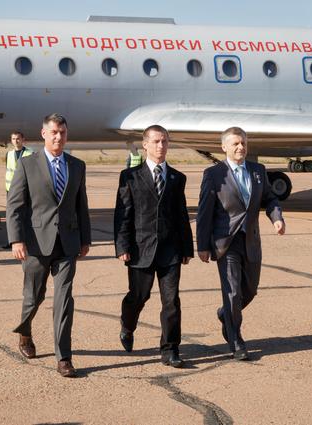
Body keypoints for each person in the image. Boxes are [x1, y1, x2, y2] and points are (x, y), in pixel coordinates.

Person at [7, 113, 91, 378]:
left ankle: (64, 357)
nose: (58, 137)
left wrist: (85, 239)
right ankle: (25, 331)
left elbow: (81, 206)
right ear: (43, 134)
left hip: (67, 244)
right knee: (33, 297)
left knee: (64, 300)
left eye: (62, 132)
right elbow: (15, 205)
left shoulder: (77, 165)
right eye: (54, 132)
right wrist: (16, 239)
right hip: (35, 243)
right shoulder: (27, 164)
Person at [196, 126, 285, 360]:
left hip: (251, 240)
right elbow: (204, 212)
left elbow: (270, 198)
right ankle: (236, 340)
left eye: (243, 143)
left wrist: (276, 218)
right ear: (224, 147)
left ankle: (225, 313)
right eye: (235, 143)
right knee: (233, 292)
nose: (240, 147)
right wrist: (202, 245)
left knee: (250, 290)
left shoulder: (258, 170)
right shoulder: (214, 174)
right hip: (226, 242)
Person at [114, 125, 194, 368]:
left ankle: (170, 349)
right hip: (140, 249)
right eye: (156, 141)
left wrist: (186, 248)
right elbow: (123, 213)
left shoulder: (177, 178)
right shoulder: (130, 176)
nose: (161, 146)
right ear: (145, 145)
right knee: (138, 296)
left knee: (171, 301)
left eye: (165, 141)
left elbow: (182, 215)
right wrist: (122, 246)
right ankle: (127, 326)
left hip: (170, 250)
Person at [2, 131, 33, 249]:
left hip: (26, 188)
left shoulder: (30, 153)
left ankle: (28, 240)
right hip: (11, 189)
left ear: (23, 139)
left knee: (27, 214)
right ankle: (12, 240)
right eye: (13, 139)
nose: (16, 141)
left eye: (18, 139)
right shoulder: (9, 154)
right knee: (12, 215)